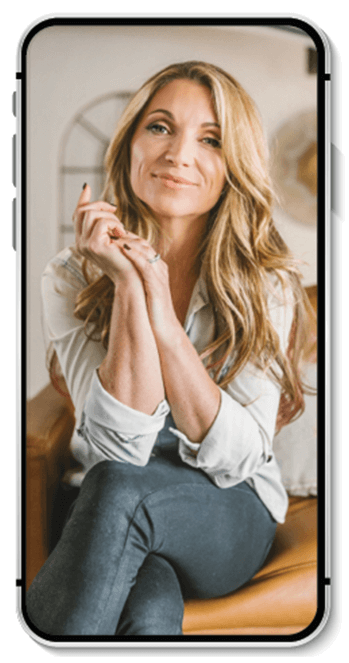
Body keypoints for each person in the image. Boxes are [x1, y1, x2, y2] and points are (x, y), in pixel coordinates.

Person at [26, 61, 314, 637]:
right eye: (159, 127)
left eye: (210, 139)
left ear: (232, 164)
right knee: (149, 603)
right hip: (111, 502)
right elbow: (117, 445)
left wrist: (160, 306)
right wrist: (130, 285)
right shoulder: (70, 275)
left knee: (120, 494)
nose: (179, 153)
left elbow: (237, 457)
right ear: (129, 143)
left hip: (226, 510)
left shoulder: (267, 283)